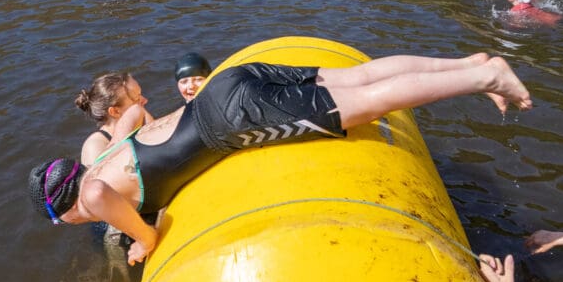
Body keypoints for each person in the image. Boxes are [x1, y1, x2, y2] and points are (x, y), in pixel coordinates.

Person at [30, 53, 532, 266]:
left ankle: (484, 78)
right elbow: (135, 112)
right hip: (226, 86)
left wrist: (143, 242)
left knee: (367, 104)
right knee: (357, 77)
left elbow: (118, 211)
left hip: (234, 119)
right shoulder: (104, 155)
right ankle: (469, 64)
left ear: (63, 214)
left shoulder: (93, 196)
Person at [76, 71, 152, 166]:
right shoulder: (94, 145)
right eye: (137, 99)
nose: (145, 100)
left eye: (141, 94)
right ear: (115, 112)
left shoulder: (141, 122)